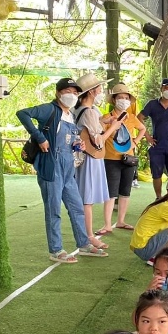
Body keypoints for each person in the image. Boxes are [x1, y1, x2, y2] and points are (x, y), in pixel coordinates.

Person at [17, 77, 107, 262]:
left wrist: (77, 144)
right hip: (51, 165)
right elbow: (22, 113)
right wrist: (40, 138)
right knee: (53, 210)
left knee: (77, 207)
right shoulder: (49, 109)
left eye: (75, 93)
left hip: (68, 167)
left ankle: (84, 244)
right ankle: (56, 250)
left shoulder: (70, 114)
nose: (72, 96)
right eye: (68, 92)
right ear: (58, 93)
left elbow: (68, 138)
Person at [73, 73, 122, 251]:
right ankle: (89, 236)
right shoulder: (89, 111)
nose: (101, 91)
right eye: (99, 88)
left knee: (86, 198)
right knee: (87, 199)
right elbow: (98, 140)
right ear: (92, 91)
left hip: (86, 156)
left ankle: (87, 235)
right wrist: (113, 127)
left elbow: (89, 127)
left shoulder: (83, 110)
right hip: (90, 158)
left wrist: (103, 121)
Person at [101, 84, 145, 233]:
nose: (124, 100)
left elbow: (143, 129)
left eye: (126, 98)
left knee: (125, 191)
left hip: (128, 159)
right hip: (111, 158)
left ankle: (121, 221)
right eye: (120, 97)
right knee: (111, 193)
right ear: (114, 100)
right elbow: (101, 133)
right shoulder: (107, 118)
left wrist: (135, 141)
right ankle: (107, 224)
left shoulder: (131, 117)